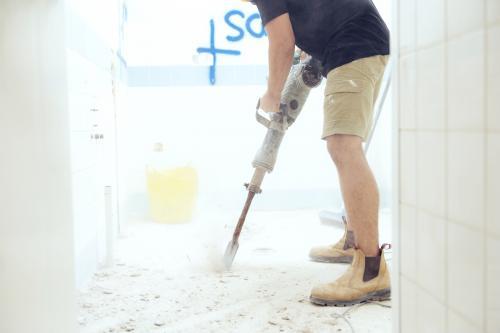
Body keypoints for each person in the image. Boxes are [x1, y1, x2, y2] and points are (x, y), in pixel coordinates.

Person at [251, 0, 391, 306]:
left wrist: (273, 94)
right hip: (360, 41)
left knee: (342, 145)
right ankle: (353, 243)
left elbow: (282, 40)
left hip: (354, 47)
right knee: (345, 145)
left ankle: (370, 270)